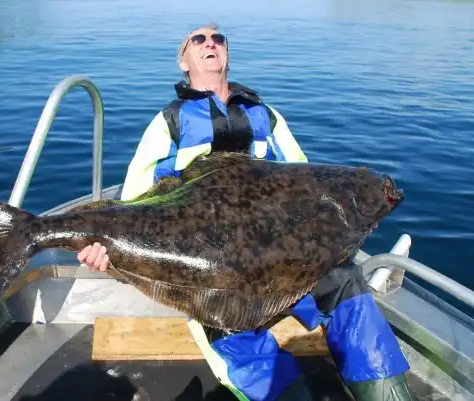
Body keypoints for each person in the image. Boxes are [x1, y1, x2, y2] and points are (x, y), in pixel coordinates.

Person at [77, 24, 414, 401]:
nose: (210, 43)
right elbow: (132, 206)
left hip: (286, 259)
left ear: (226, 53)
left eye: (218, 38)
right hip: (212, 271)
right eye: (198, 39)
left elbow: (307, 185)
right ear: (184, 62)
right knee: (237, 343)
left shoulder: (266, 117)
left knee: (348, 284)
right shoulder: (169, 124)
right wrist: (105, 248)